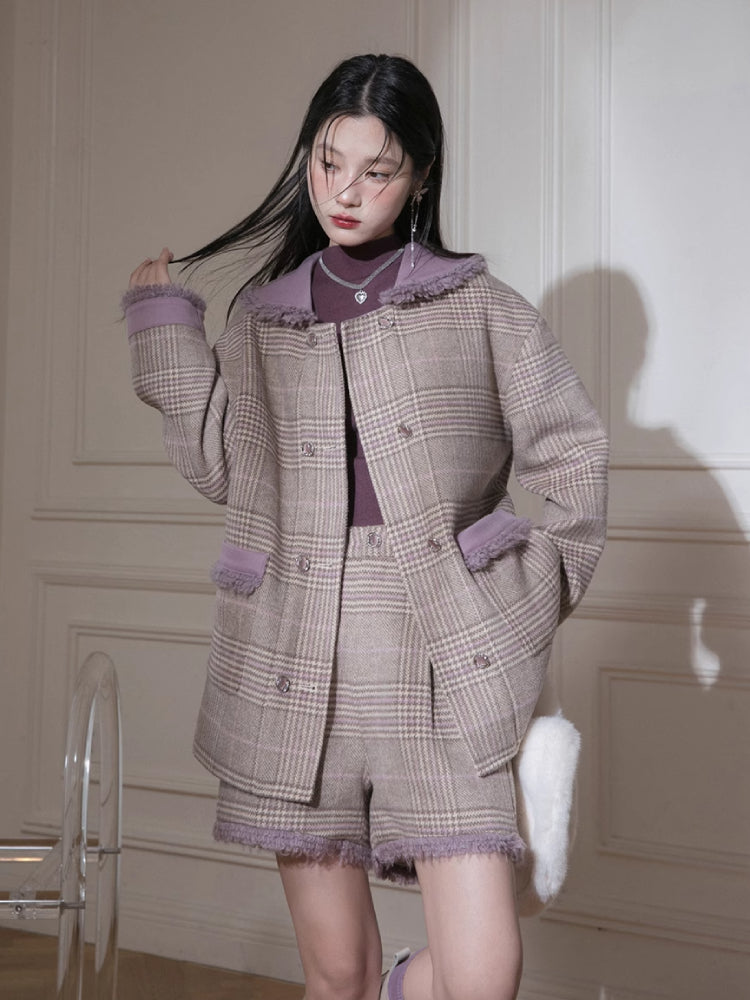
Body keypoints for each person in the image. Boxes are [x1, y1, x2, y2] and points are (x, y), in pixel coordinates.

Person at [123, 53, 608, 1000]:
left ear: (420, 176)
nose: (345, 192)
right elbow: (225, 467)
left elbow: (574, 463)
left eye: (377, 170)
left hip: (442, 657)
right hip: (294, 652)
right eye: (328, 161)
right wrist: (165, 332)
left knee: (482, 975)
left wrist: (514, 590)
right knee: (336, 973)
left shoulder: (482, 309)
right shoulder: (264, 318)